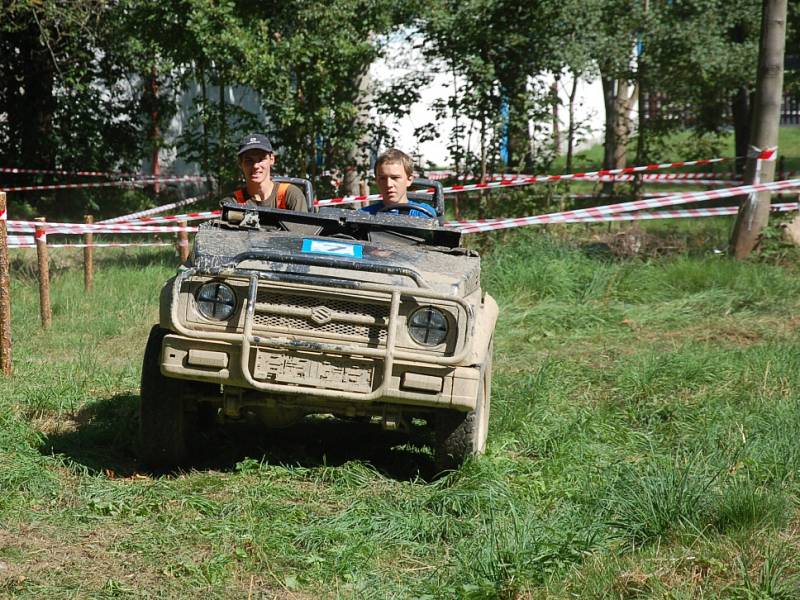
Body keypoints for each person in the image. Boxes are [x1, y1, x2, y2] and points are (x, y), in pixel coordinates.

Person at [222, 133, 308, 212]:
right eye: (249, 161)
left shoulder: (290, 195)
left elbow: (303, 228)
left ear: (272, 159)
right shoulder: (232, 202)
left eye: (261, 159)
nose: (255, 166)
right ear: (240, 163)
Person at [360, 148, 436, 218]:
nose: (389, 184)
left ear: (409, 180)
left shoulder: (423, 213)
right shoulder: (364, 215)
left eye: (395, 178)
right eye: (382, 178)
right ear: (376, 181)